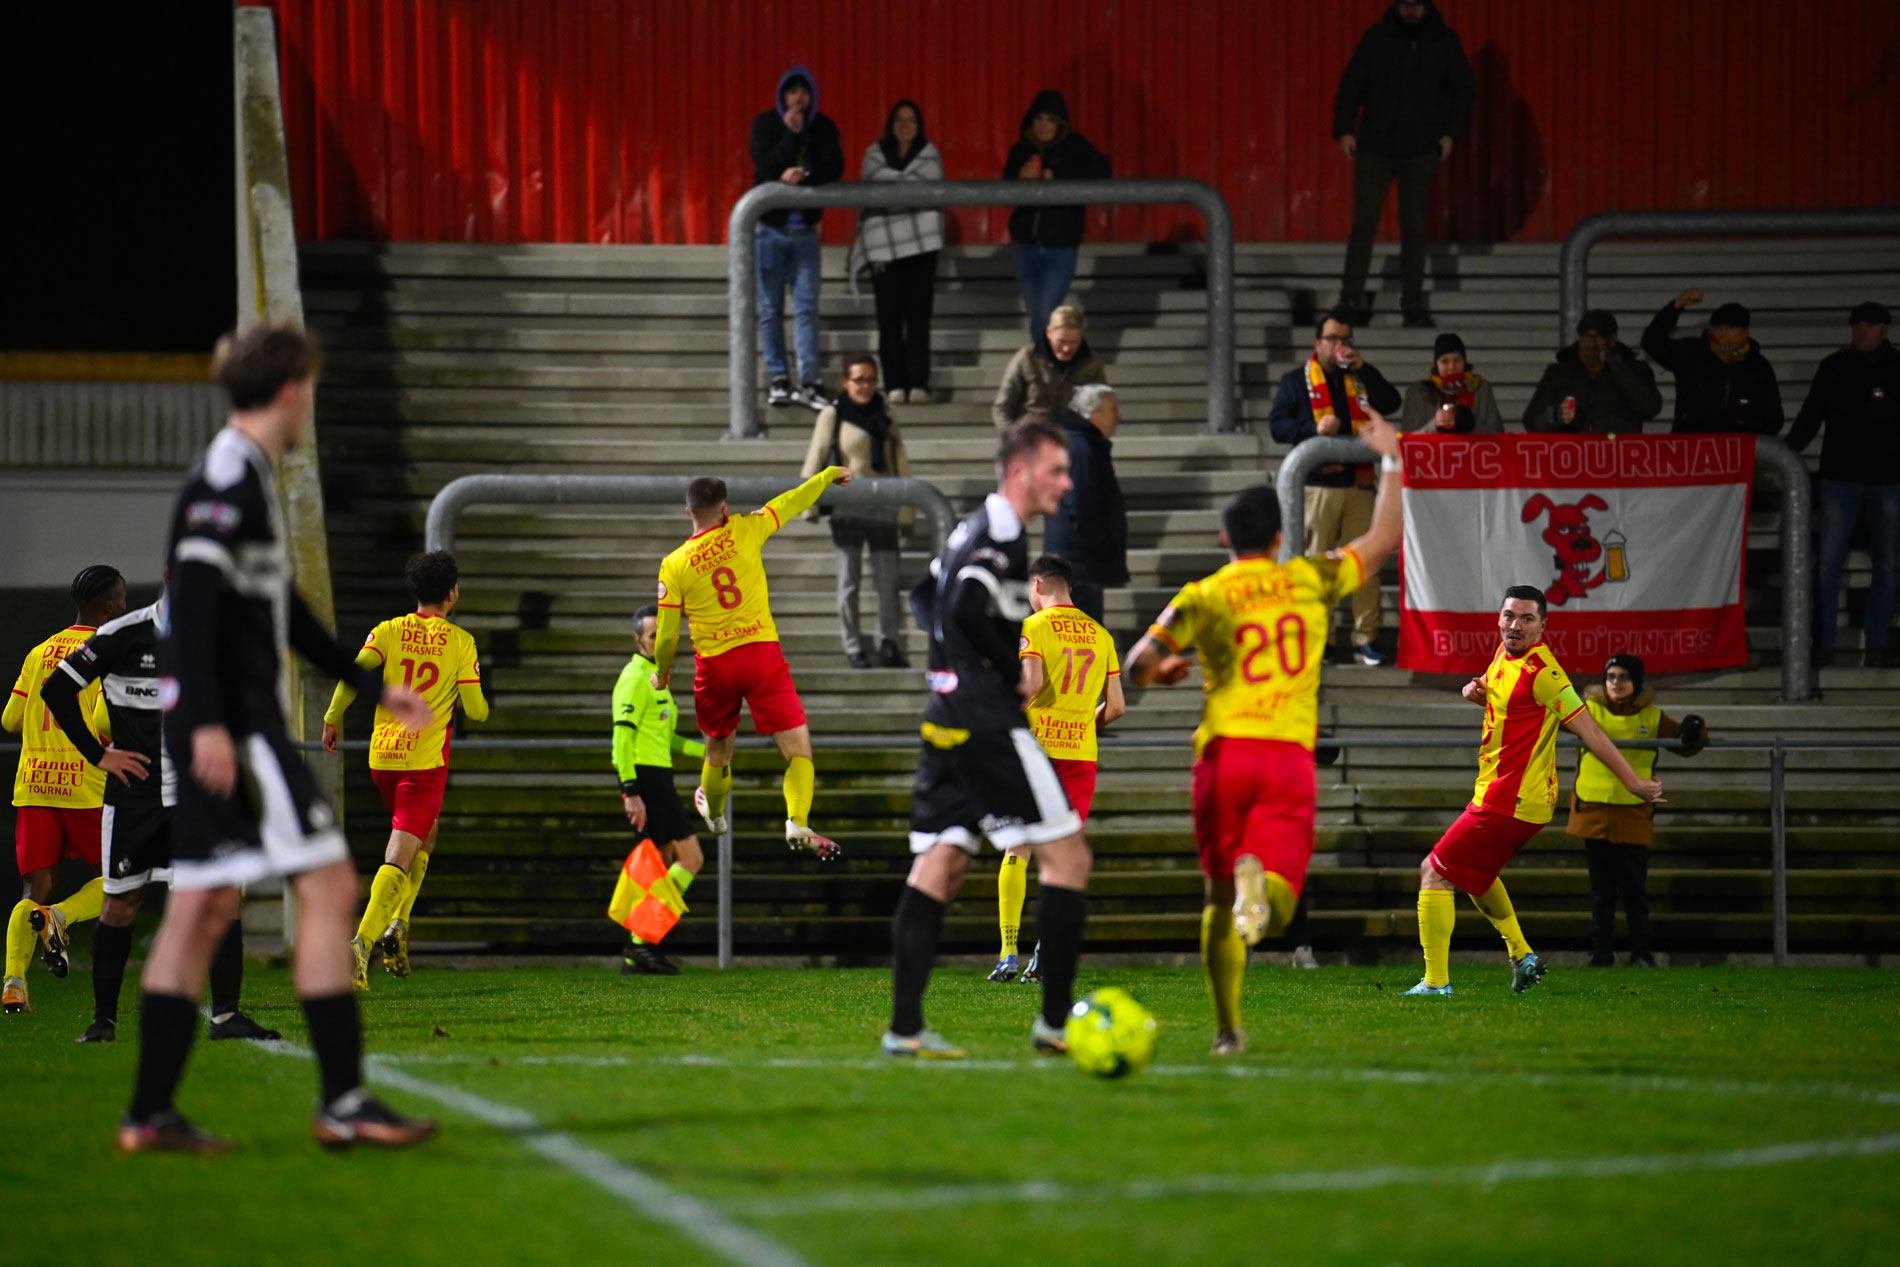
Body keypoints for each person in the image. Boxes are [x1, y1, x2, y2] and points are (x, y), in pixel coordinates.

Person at [119, 324, 435, 1153]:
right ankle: (345, 1102)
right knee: (329, 890)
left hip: (231, 723)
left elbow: (282, 613)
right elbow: (185, 604)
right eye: (315, 387)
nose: (314, 403)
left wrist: (371, 687)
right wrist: (209, 722)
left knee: (201, 907)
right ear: (292, 388)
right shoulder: (228, 473)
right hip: (237, 726)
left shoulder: (249, 475)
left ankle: (149, 1113)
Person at [1126, 413, 1405, 1055]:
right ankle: (1261, 892)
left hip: (1223, 754)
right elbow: (1385, 535)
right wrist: (1389, 458)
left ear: (1225, 537)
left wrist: (1164, 672)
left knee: (1215, 897)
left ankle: (1227, 1029)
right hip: (1285, 756)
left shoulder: (1204, 593)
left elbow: (1140, 660)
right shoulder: (1309, 577)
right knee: (1274, 898)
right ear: (1280, 535)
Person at [885, 421, 1089, 1059]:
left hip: (944, 713)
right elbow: (965, 608)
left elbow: (926, 597)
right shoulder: (1001, 530)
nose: (1066, 482)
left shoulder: (967, 528)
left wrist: (948, 666)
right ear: (1020, 470)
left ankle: (905, 1030)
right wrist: (1008, 671)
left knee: (939, 867)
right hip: (984, 720)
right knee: (1070, 860)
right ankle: (1056, 1025)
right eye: (1057, 470)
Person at [43, 578, 278, 1044]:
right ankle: (103, 1022)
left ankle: (226, 1017)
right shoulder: (121, 635)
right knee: (121, 903)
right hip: (137, 798)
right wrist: (98, 754)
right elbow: (56, 691)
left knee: (224, 898)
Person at [1404, 586, 1664, 998]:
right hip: (1500, 793)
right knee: (1476, 875)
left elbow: (1590, 731)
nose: (1515, 625)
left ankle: (1436, 983)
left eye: (1527, 618)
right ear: (1499, 619)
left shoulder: (1544, 674)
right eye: (1510, 616)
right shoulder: (1503, 654)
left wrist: (1632, 782)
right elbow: (1496, 697)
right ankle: (1522, 956)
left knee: (1434, 872)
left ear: (1543, 626)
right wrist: (1473, 692)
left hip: (1512, 799)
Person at [652, 468, 851, 858]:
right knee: (797, 751)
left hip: (715, 665)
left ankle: (716, 814)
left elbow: (667, 635)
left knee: (718, 751)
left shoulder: (673, 564)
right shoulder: (745, 529)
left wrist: (662, 671)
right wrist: (826, 476)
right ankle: (797, 820)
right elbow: (790, 501)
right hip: (761, 653)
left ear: (687, 512)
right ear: (724, 508)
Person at [322, 550, 488, 990]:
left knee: (425, 835)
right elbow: (477, 710)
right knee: (401, 849)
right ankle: (362, 942)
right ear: (452, 593)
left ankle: (400, 926)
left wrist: (333, 716)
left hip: (383, 758)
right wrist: (472, 694)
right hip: (423, 765)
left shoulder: (388, 631)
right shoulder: (460, 641)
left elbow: (353, 675)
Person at [990, 553, 1124, 985]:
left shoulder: (1034, 627)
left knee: (1018, 849)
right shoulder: (1101, 635)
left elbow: (1027, 689)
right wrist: (1084, 721)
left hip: (1037, 749)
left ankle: (1009, 952)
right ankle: (1045, 955)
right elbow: (1117, 707)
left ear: (1037, 585)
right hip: (1081, 756)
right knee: (1062, 861)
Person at [3, 565, 124, 1015]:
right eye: (123, 601)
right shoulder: (105, 653)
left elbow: (10, 721)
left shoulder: (39, 652)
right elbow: (105, 723)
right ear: (110, 606)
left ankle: (14, 984)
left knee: (34, 886)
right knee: (121, 880)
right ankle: (60, 918)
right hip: (85, 783)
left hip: (34, 780)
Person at [1268, 311, 1402, 665]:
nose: (1340, 346)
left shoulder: (1358, 377)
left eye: (1346, 339)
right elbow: (1278, 427)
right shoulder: (1296, 381)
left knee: (1367, 565)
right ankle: (1318, 640)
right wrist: (1313, 429)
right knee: (1314, 566)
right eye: (1333, 339)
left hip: (1359, 483)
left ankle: (1366, 639)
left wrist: (1364, 369)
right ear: (1318, 344)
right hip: (1317, 488)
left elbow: (1391, 403)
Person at [1331, 0, 1474, 327]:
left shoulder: (1444, 42)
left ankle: (1412, 302)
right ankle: (1350, 298)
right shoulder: (1377, 38)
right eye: (1406, 4)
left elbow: (1463, 92)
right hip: (1374, 148)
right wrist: (1344, 129)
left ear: (1428, 7)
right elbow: (1351, 85)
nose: (1411, 11)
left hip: (1421, 150)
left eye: (1417, 5)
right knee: (1364, 223)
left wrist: (1451, 134)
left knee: (1414, 228)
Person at [1565, 654, 1708, 968]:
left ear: (1637, 682)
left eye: (1624, 677)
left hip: (1632, 813)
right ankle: (1602, 953)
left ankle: (1641, 953)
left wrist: (1696, 730)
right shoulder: (1586, 710)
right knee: (1601, 892)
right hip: (1595, 811)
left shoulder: (1653, 716)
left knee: (1634, 891)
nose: (1616, 683)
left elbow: (1687, 744)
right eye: (1611, 676)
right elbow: (1552, 721)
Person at [1786, 302, 1900, 667]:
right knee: (1827, 566)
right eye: (1857, 325)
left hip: (1889, 480)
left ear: (1884, 329)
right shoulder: (1833, 367)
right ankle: (1823, 644)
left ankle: (1878, 645)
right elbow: (1810, 416)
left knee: (1886, 565)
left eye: (1869, 325)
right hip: (1840, 480)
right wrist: (1785, 453)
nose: (1861, 331)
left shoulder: (1898, 367)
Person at [612, 604, 709, 976]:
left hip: (657, 776)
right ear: (639, 640)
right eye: (654, 636)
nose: (662, 642)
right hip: (648, 780)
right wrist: (630, 790)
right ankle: (641, 942)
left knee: (661, 864)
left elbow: (666, 740)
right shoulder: (635, 678)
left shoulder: (656, 678)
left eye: (667, 636)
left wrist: (712, 750)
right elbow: (621, 738)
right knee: (692, 859)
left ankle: (638, 953)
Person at [801, 355, 911, 669]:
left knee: (887, 580)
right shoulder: (832, 415)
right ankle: (854, 646)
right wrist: (807, 504)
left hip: (883, 505)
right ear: (845, 382)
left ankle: (888, 641)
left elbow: (900, 461)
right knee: (848, 581)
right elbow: (816, 454)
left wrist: (906, 513)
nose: (865, 386)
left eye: (870, 379)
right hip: (847, 507)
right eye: (858, 379)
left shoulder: (886, 412)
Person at [750, 65, 844, 410]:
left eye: (804, 91)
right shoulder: (765, 125)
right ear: (782, 96)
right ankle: (779, 378)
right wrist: (790, 136)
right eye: (792, 91)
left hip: (805, 233)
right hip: (769, 232)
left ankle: (810, 382)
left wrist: (805, 173)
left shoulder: (823, 126)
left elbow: (834, 165)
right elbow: (763, 170)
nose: (798, 98)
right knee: (771, 309)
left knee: (806, 308)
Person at [852, 100, 944, 404]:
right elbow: (872, 187)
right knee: (888, 321)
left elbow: (931, 188)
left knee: (918, 320)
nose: (905, 125)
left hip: (922, 248)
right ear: (890, 125)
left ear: (919, 126)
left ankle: (918, 384)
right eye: (899, 120)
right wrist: (907, 193)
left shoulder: (929, 154)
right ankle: (893, 384)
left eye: (912, 120)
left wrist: (894, 191)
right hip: (884, 251)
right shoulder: (874, 154)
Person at [1003, 90, 1110, 337]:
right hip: (1026, 247)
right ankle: (1047, 370)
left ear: (1060, 124)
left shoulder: (1075, 146)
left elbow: (1102, 170)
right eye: (1039, 119)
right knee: (1037, 318)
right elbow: (1004, 184)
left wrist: (1059, 176)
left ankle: (1047, 369)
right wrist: (1020, 176)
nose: (1043, 125)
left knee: (1045, 316)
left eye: (1050, 119)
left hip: (1060, 249)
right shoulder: (1021, 150)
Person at [1641, 289, 1784, 435]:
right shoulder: (1692, 353)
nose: (1723, 333)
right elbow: (1651, 341)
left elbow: (1774, 418)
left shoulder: (1758, 366)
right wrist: (1676, 305)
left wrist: (1744, 428)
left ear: (1745, 331)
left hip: (1738, 452)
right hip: (1691, 449)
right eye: (1718, 327)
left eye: (1731, 328)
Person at [1044, 382, 1128, 623]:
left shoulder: (1080, 443)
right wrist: (1100, 546)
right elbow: (1083, 504)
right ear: (1094, 413)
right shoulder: (1082, 447)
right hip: (1080, 563)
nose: (1119, 417)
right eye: (1114, 409)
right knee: (1080, 639)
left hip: (1077, 561)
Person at [1523, 310, 1664, 434]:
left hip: (1617, 458)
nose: (1591, 344)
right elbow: (1531, 420)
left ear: (1612, 340)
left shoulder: (1635, 370)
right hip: (1572, 458)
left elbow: (1651, 408)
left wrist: (1618, 369)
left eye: (1598, 337)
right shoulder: (1559, 373)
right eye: (1586, 337)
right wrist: (1555, 416)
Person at [991, 304, 1106, 429]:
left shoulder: (1091, 363)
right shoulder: (1027, 358)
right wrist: (1015, 439)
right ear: (1049, 332)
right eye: (1061, 341)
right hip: (1032, 437)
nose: (1066, 348)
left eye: (1073, 342)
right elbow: (1002, 408)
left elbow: (1102, 407)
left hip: (1073, 437)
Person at [1401, 333, 1503, 433]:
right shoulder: (1417, 393)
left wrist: (1472, 425)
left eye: (1457, 360)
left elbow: (1498, 434)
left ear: (1464, 362)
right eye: (1445, 361)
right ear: (1436, 364)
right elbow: (1407, 438)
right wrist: (1434, 425)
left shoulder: (1481, 388)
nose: (1451, 367)